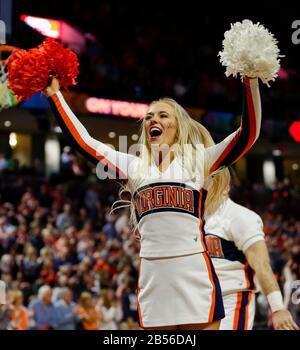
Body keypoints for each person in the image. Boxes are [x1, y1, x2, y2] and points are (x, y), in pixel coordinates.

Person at [45, 73, 261, 330]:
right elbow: (85, 143)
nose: (153, 120)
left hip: (195, 275)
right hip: (153, 278)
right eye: (148, 117)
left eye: (162, 115)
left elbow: (247, 134)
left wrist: (251, 81)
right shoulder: (134, 167)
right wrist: (55, 96)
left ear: (177, 126)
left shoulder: (198, 160)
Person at [204, 189, 299, 330]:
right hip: (201, 299)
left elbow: (262, 265)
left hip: (231, 300)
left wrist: (277, 308)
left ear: (225, 187)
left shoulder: (239, 216)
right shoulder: (195, 218)